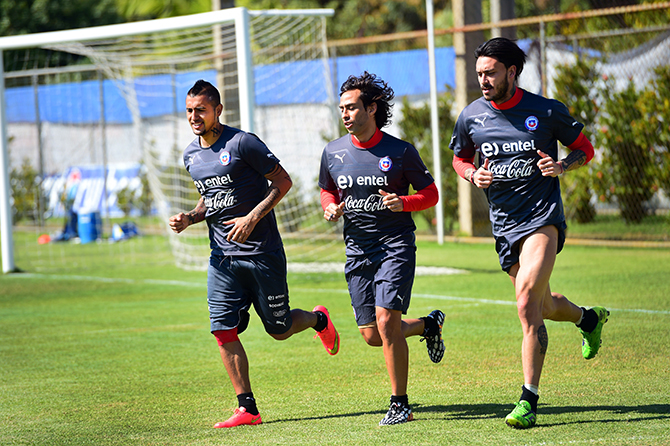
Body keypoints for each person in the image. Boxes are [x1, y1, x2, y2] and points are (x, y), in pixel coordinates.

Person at [449, 38, 609, 429]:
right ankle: (588, 319)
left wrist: (563, 165)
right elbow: (459, 157)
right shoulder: (471, 115)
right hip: (504, 227)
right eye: (479, 74)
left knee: (525, 306)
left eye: (490, 73)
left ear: (512, 72)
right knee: (543, 306)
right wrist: (473, 174)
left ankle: (528, 400)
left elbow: (585, 148)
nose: (483, 81)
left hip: (542, 219)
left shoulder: (546, 110)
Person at [169, 79, 340, 428]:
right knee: (222, 330)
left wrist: (252, 217)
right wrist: (190, 217)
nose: (194, 117)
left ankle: (318, 319)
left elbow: (284, 182)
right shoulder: (191, 155)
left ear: (218, 109)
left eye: (200, 109)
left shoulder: (243, 143)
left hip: (262, 253)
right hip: (222, 258)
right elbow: (210, 197)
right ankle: (247, 408)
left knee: (277, 330)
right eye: (189, 111)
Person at [319, 71, 445, 426]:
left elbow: (431, 194)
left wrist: (402, 202)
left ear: (372, 109)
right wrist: (330, 206)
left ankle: (399, 402)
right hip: (357, 249)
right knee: (373, 335)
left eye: (352, 107)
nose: (345, 114)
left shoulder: (400, 151)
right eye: (341, 108)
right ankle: (427, 325)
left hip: (394, 245)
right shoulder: (332, 152)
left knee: (387, 321)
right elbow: (328, 189)